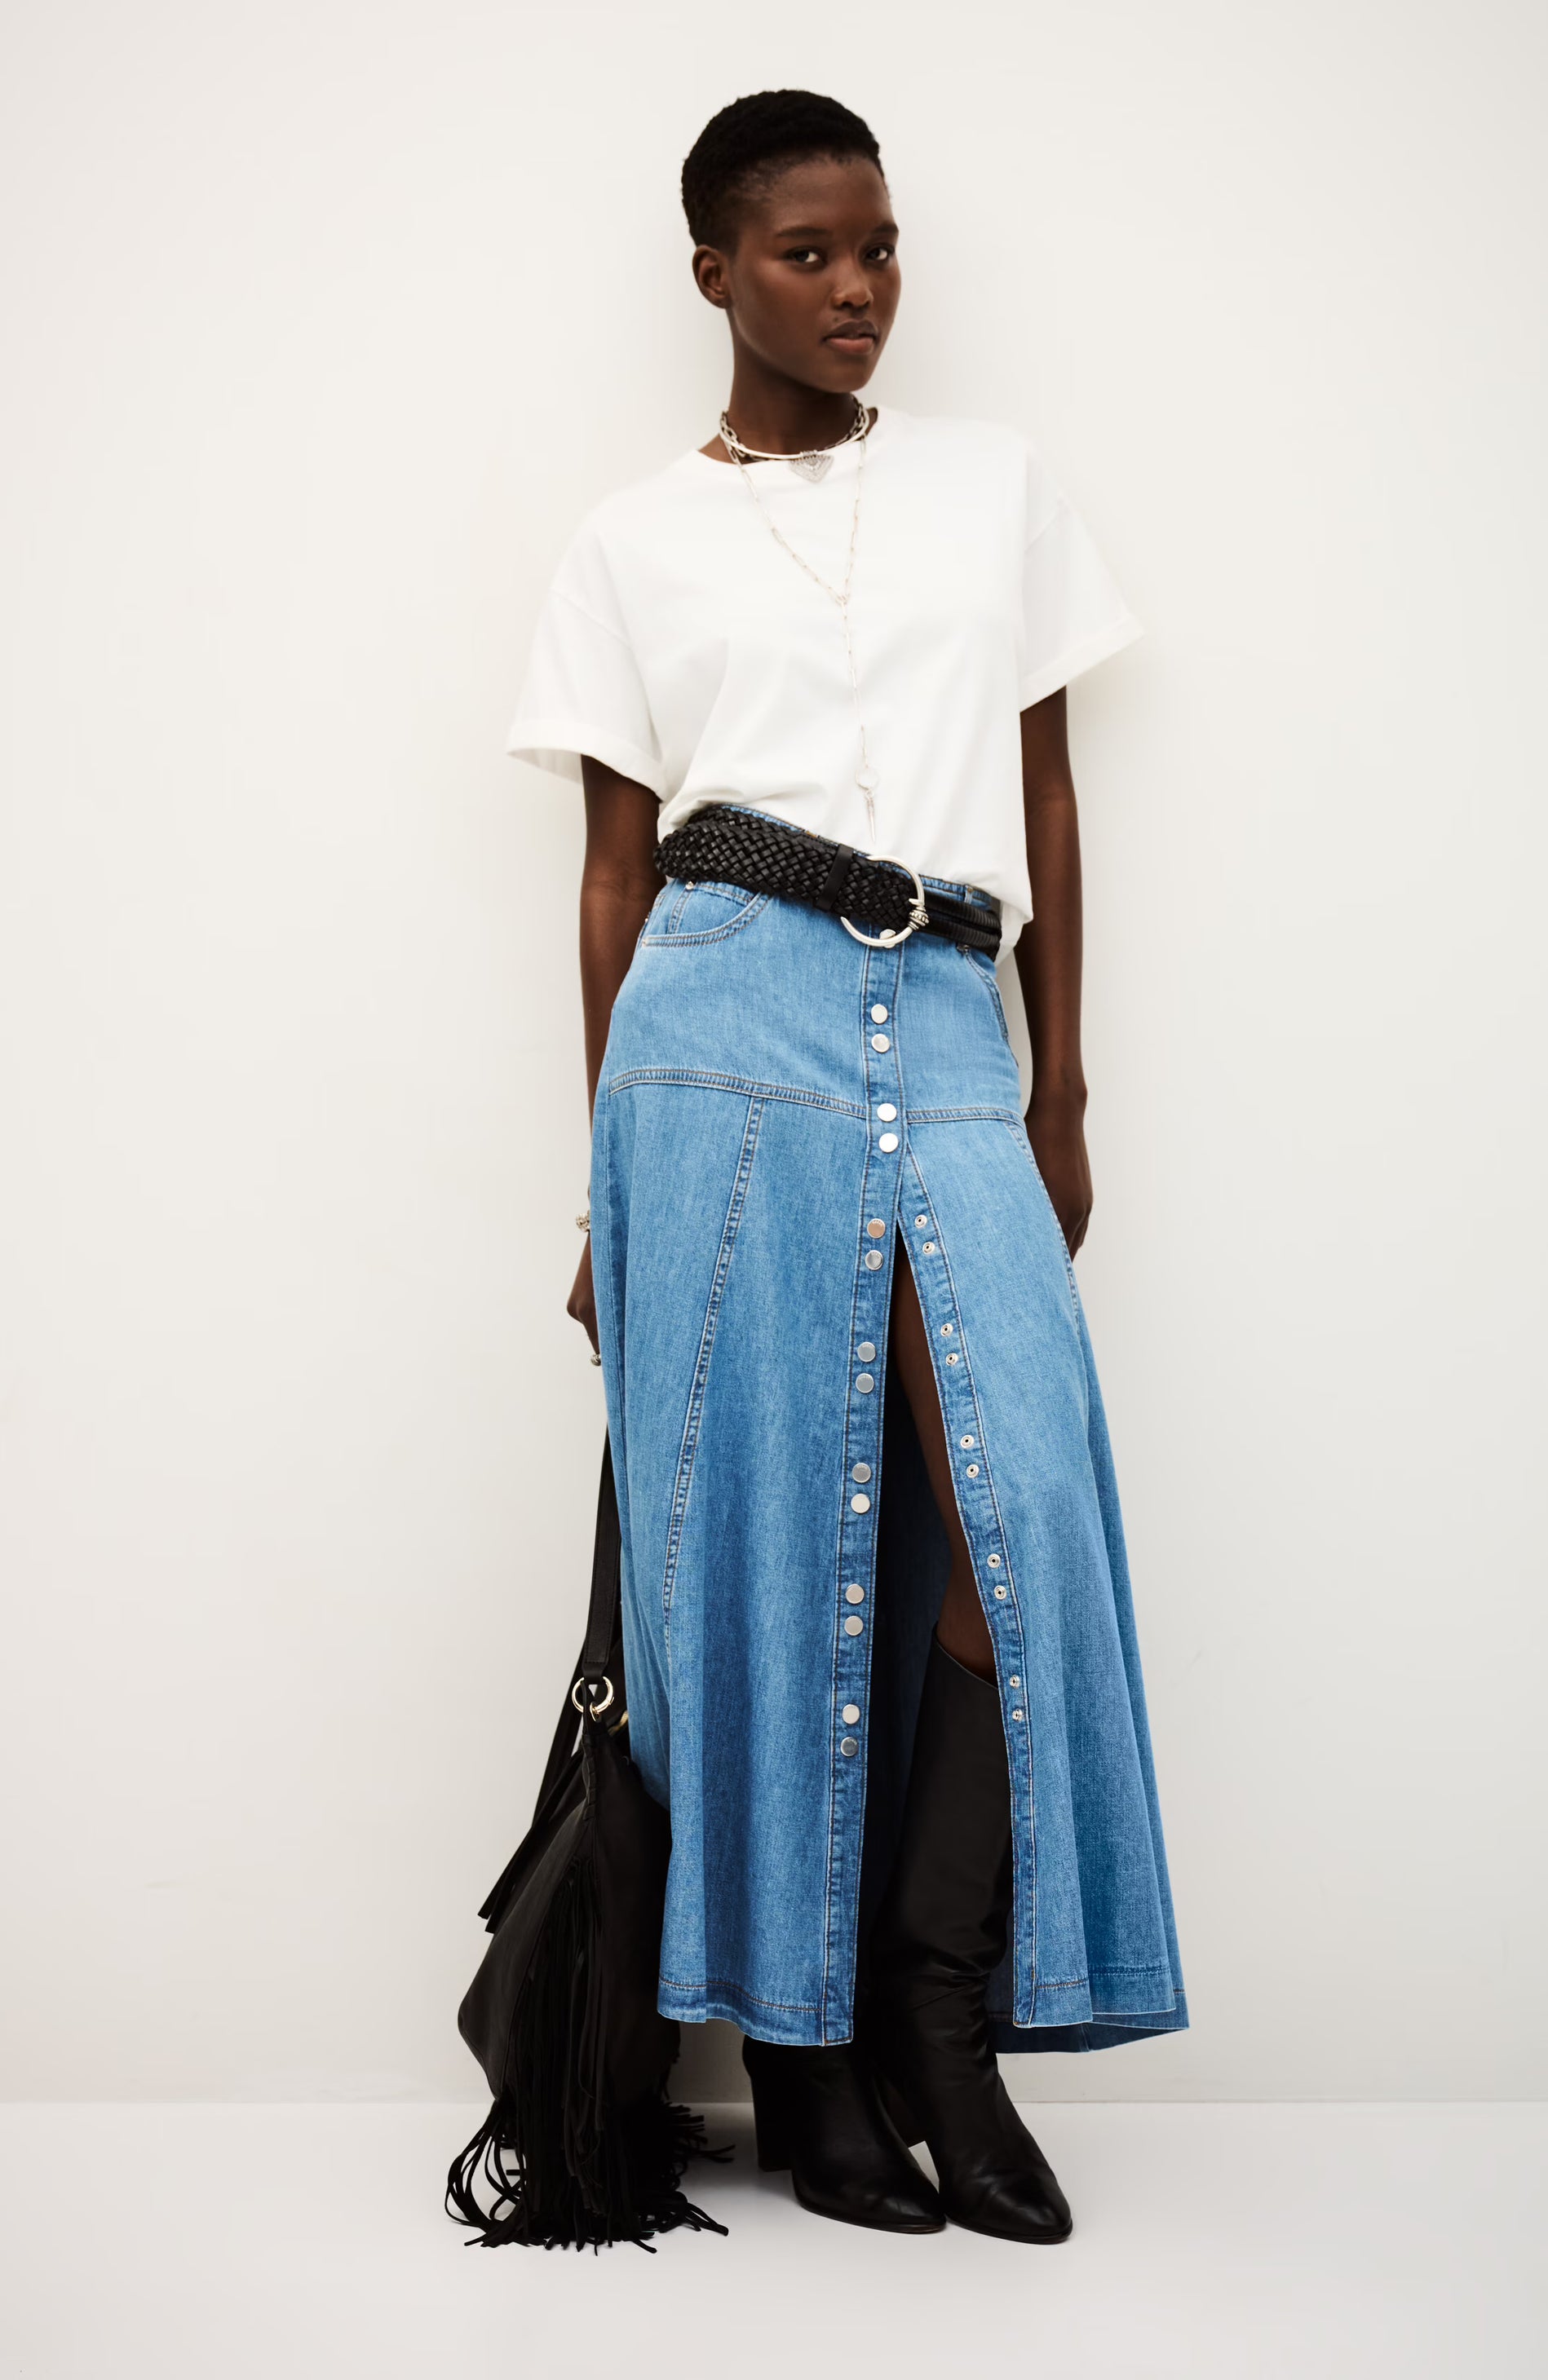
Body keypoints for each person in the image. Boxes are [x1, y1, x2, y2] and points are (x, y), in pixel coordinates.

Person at [506, 89, 1186, 2243]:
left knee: (1012, 1539)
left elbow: (1046, 798)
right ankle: (800, 2077)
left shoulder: (995, 494)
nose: (857, 287)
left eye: (878, 246)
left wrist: (1053, 1097)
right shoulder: (628, 541)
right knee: (760, 1552)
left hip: (951, 1021)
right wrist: (596, 1180)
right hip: (719, 1024)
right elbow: (610, 876)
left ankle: (934, 2029)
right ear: (711, 269)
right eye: (805, 251)